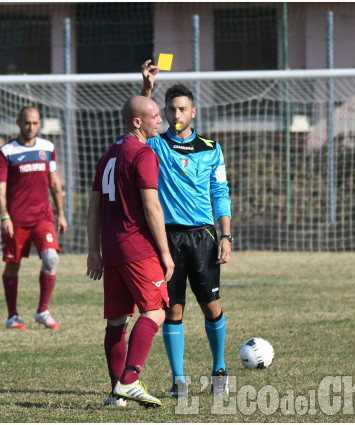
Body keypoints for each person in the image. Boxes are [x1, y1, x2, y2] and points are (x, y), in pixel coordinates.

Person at [140, 60, 233, 398]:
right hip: (167, 237)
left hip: (203, 236)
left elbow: (220, 193)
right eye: (171, 109)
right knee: (172, 309)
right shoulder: (155, 146)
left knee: (211, 306)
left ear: (193, 112)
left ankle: (219, 367)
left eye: (182, 108)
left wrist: (226, 235)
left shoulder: (211, 149)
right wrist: (147, 89)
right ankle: (179, 379)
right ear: (164, 112)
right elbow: (137, 126)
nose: (176, 113)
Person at [87, 95, 175, 408]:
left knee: (116, 321)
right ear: (137, 122)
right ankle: (130, 380)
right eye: (154, 116)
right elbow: (151, 206)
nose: (160, 120)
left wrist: (93, 249)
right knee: (156, 311)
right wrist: (165, 252)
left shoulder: (108, 154)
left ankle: (116, 393)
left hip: (111, 249)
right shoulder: (143, 154)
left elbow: (94, 204)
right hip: (137, 246)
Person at [0, 106, 68, 330]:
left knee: (51, 259)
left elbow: (54, 183)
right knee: (13, 266)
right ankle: (12, 316)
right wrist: (4, 216)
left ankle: (43, 311)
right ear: (18, 123)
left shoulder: (47, 147)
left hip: (42, 218)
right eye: (27, 123)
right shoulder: (6, 152)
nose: (31, 127)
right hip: (16, 221)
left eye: (35, 123)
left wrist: (61, 215)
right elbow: (0, 189)